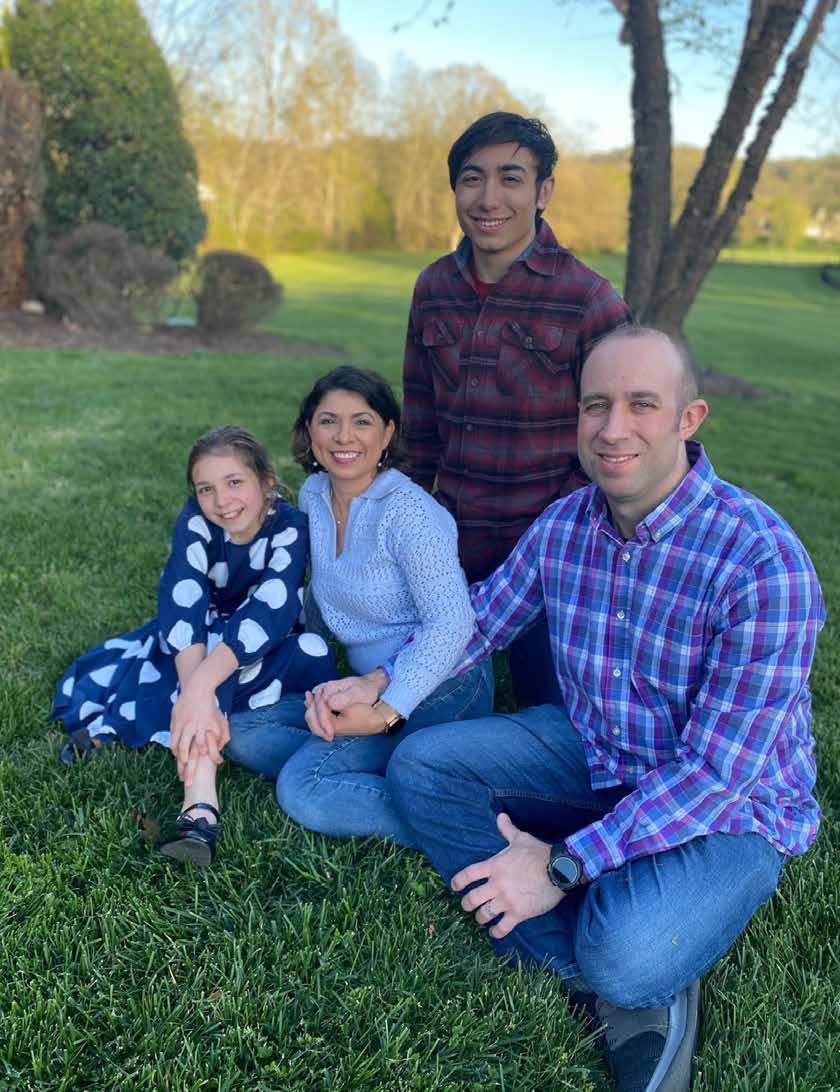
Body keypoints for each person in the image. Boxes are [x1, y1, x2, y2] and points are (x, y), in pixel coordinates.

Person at [385, 328, 825, 1092]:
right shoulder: (566, 524)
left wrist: (561, 865)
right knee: (422, 766)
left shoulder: (764, 561)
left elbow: (716, 775)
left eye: (641, 404)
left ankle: (626, 959)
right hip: (598, 754)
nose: (613, 428)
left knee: (626, 952)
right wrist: (382, 686)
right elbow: (480, 623)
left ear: (689, 418)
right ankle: (592, 968)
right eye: (596, 405)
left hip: (733, 811)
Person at [402, 111, 633, 707]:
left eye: (511, 178)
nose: (489, 198)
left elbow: (621, 435)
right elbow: (419, 422)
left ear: (543, 191)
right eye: (472, 178)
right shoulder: (433, 288)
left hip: (550, 557)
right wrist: (403, 523)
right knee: (422, 710)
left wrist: (571, 527)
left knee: (556, 719)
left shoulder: (587, 298)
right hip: (451, 545)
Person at [225, 366, 493, 846]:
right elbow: (316, 595)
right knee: (242, 731)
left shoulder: (409, 512)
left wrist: (387, 708)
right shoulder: (315, 494)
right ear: (309, 431)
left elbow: (453, 623)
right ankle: (395, 764)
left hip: (442, 682)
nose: (344, 436)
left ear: (387, 433)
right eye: (328, 421)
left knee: (304, 788)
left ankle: (463, 819)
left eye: (362, 421)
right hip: (361, 686)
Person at [51, 426, 335, 865]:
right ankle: (200, 809)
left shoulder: (290, 526)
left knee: (265, 655)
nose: (222, 500)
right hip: (200, 642)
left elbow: (270, 610)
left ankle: (185, 751)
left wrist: (198, 690)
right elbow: (183, 602)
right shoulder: (196, 521)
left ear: (266, 481)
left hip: (270, 646)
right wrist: (197, 693)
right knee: (189, 654)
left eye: (234, 482)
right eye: (206, 489)